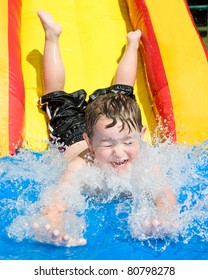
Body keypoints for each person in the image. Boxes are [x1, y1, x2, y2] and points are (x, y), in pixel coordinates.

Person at [33, 10, 177, 247]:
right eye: (108, 145)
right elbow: (59, 198)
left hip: (107, 124)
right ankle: (52, 35)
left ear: (140, 136)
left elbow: (164, 196)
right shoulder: (81, 165)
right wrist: (53, 222)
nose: (119, 153)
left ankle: (132, 43)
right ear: (89, 143)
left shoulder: (146, 162)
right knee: (55, 97)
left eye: (129, 142)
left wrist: (163, 219)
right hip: (72, 134)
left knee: (123, 95)